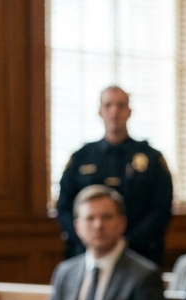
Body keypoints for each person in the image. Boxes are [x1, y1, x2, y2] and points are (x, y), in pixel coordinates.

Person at [57, 86, 174, 264]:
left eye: (121, 105)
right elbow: (64, 207)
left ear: (129, 111)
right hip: (86, 254)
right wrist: (88, 238)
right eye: (108, 105)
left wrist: (125, 241)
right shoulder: (81, 158)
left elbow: (161, 209)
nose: (114, 111)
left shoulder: (151, 159)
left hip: (138, 253)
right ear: (100, 111)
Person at [40, 185, 168, 300]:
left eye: (106, 217)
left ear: (122, 223)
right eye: (90, 218)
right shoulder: (65, 272)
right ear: (77, 227)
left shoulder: (144, 276)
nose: (98, 225)